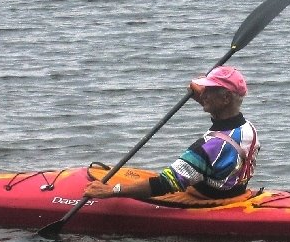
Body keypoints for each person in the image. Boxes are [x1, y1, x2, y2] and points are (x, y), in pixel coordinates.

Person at [83, 65, 260, 205]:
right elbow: (222, 118)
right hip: (234, 189)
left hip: (207, 198)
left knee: (165, 180)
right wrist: (204, 99)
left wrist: (112, 191)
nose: (203, 94)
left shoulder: (209, 147)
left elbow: (165, 183)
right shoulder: (248, 128)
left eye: (209, 91)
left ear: (226, 98)